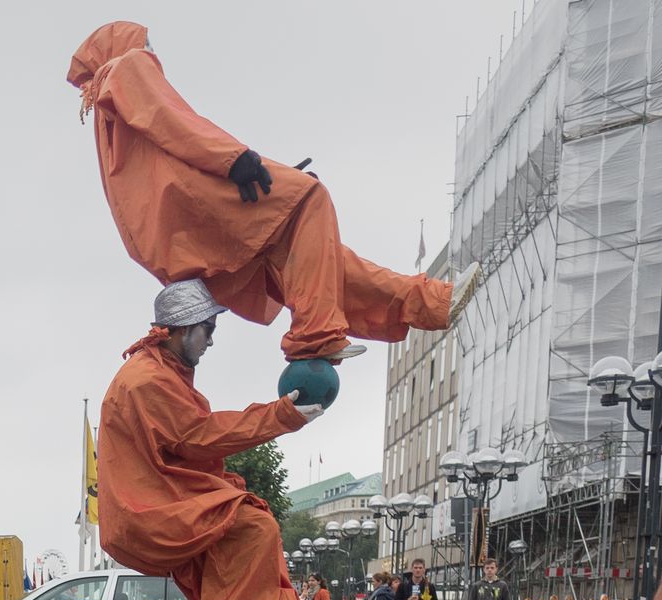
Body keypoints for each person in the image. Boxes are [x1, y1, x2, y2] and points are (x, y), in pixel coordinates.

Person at [66, 22, 479, 364]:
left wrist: (259, 175)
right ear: (124, 44)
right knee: (310, 199)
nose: (152, 49)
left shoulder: (104, 112)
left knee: (315, 258)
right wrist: (236, 160)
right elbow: (172, 121)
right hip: (192, 204)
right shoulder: (128, 67)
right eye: (147, 40)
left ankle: (430, 302)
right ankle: (315, 336)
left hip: (173, 231)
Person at [97, 280, 340, 600]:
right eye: (207, 330)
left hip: (154, 504)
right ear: (181, 328)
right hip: (147, 511)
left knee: (220, 559)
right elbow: (199, 435)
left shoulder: (162, 372)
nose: (211, 341)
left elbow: (180, 446)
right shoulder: (147, 380)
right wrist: (279, 416)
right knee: (255, 526)